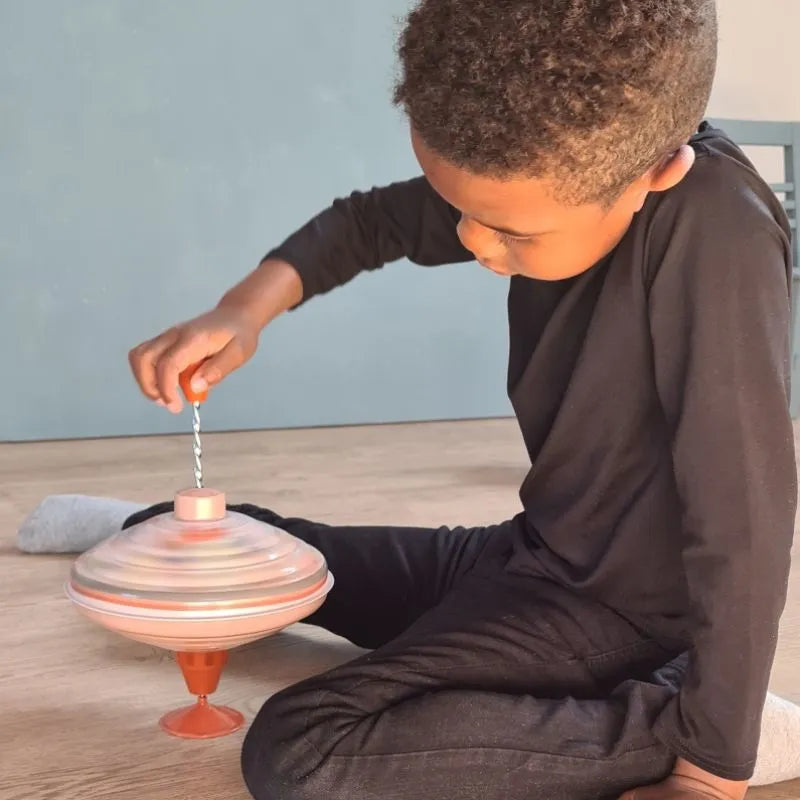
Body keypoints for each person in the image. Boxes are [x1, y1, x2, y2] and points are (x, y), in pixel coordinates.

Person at [127, 2, 797, 798]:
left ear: (655, 173)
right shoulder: (559, 157)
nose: (476, 244)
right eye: (467, 215)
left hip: (623, 613)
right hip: (533, 554)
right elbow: (372, 221)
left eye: (510, 233)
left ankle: (685, 713)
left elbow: (744, 513)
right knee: (210, 544)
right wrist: (243, 311)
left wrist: (713, 767)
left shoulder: (719, 229)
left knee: (299, 749)